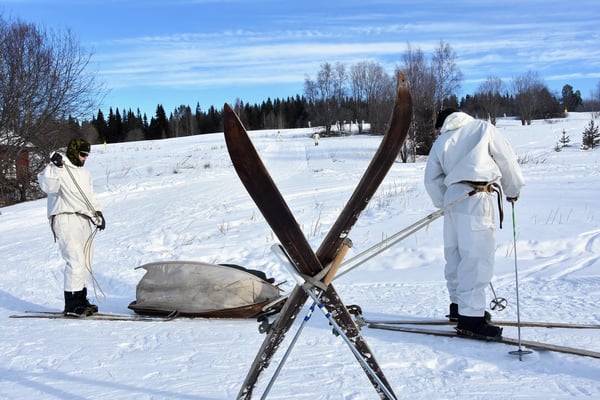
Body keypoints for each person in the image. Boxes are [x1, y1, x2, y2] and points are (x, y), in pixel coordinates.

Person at [424, 108, 525, 340]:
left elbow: (431, 179)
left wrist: (444, 203)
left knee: (455, 254)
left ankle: (459, 306)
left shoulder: (441, 141)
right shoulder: (482, 128)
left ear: (443, 124)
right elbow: (506, 159)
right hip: (477, 197)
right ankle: (470, 319)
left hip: (453, 199)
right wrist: (513, 189)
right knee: (476, 257)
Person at [38, 138, 106, 316]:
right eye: (82, 154)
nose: (85, 158)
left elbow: (90, 195)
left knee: (86, 260)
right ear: (74, 151)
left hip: (83, 219)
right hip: (65, 217)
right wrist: (55, 167)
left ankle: (82, 299)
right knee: (75, 260)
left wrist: (98, 213)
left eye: (87, 155)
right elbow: (48, 186)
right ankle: (72, 303)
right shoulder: (59, 166)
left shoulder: (85, 174)